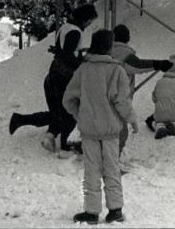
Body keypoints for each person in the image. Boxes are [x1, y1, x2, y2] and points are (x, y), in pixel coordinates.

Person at [63, 28, 138, 225]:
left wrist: (80, 115)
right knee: (112, 169)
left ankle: (91, 211)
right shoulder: (116, 71)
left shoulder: (83, 70)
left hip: (88, 130)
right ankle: (115, 210)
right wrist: (131, 119)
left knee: (91, 170)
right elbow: (122, 101)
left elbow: (68, 99)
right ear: (109, 47)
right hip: (111, 131)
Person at [9, 2, 98, 156]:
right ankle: (65, 146)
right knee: (68, 113)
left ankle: (34, 128)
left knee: (58, 113)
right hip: (63, 78)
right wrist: (81, 62)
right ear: (85, 19)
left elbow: (62, 50)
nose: (90, 24)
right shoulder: (75, 32)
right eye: (90, 20)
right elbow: (67, 55)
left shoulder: (65, 27)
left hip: (54, 75)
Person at [110, 24, 172, 159]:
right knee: (120, 133)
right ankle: (112, 163)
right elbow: (138, 66)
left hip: (101, 97)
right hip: (118, 99)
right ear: (128, 38)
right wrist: (158, 64)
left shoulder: (105, 51)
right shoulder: (125, 54)